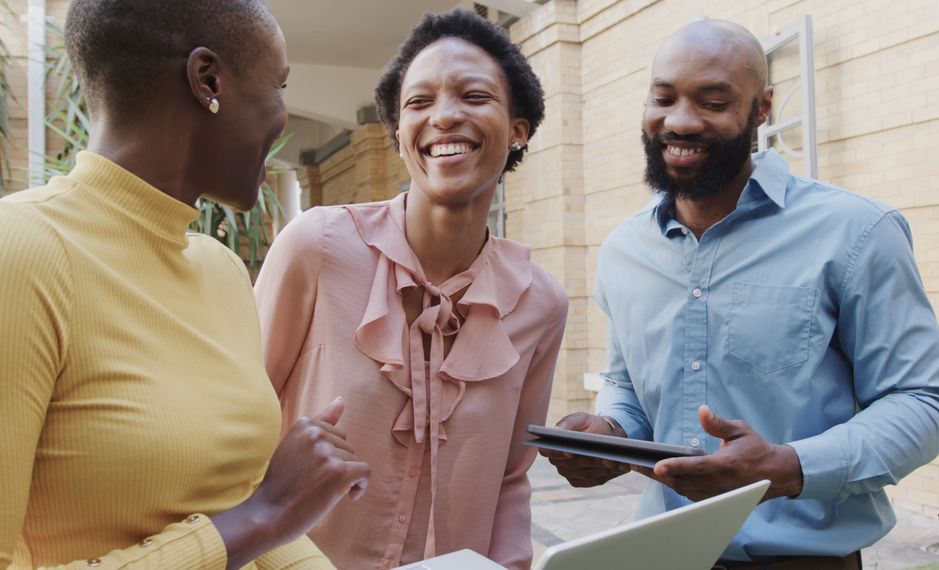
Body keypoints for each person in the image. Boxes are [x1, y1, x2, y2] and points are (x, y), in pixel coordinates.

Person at [541, 19, 939, 569]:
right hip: (660, 557)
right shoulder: (623, 250)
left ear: (762, 109)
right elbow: (627, 384)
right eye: (663, 98)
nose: (680, 121)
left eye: (713, 102)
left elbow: (921, 403)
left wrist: (786, 467)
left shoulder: (857, 232)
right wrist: (610, 433)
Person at [0, 1, 370, 568]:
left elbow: (238, 511)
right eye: (279, 86)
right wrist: (265, 512)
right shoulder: (22, 249)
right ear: (208, 80)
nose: (284, 117)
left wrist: (273, 511)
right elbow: (248, 519)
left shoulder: (222, 271)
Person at [253, 9, 567, 570]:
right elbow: (236, 426)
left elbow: (512, 478)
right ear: (399, 136)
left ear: (518, 128)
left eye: (474, 96)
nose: (444, 116)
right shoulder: (316, 248)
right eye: (419, 103)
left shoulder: (540, 304)